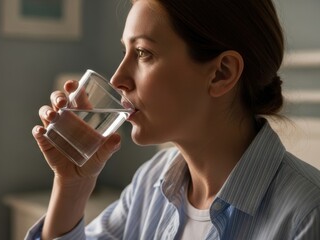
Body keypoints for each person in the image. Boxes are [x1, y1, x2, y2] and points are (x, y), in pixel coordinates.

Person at [27, 0, 320, 239]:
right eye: (125, 50)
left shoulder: (307, 217)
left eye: (143, 53)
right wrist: (72, 185)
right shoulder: (151, 181)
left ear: (222, 73)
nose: (118, 79)